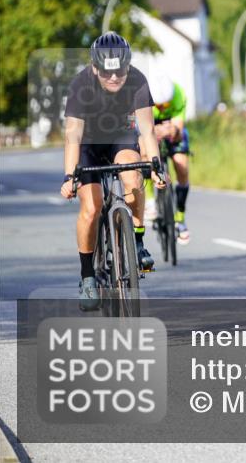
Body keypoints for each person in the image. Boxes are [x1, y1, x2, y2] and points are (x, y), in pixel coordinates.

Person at [59, 31, 165, 311]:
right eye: (107, 72)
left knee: (133, 178)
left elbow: (147, 130)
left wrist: (156, 166)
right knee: (92, 207)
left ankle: (137, 241)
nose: (115, 77)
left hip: (120, 136)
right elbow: (73, 135)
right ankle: (87, 276)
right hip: (87, 143)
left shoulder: (137, 80)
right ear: (95, 68)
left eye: (120, 71)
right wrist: (70, 176)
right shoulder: (81, 84)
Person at [147, 72, 192, 243]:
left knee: (181, 163)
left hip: (172, 126)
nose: (162, 108)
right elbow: (141, 128)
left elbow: (178, 130)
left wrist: (172, 130)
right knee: (145, 153)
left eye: (166, 104)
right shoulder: (144, 98)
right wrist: (153, 133)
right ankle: (150, 200)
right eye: (159, 105)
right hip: (150, 125)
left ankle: (180, 217)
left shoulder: (178, 94)